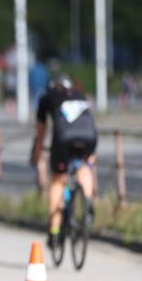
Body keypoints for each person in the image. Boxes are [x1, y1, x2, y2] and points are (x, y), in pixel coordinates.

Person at [30, 75, 98, 248]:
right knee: (84, 168)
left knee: (58, 180)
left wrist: (36, 155)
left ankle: (54, 232)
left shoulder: (47, 98)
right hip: (89, 138)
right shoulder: (80, 95)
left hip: (63, 140)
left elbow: (41, 133)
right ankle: (88, 202)